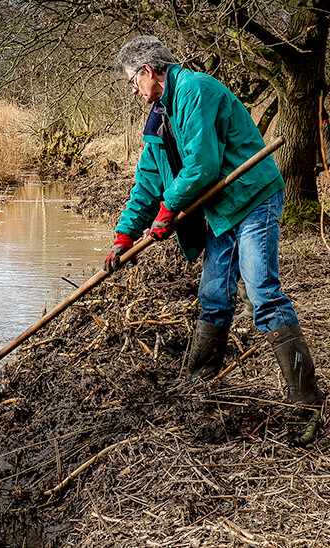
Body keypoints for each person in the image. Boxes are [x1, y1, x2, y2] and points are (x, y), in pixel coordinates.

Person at [106, 35, 323, 405]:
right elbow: (148, 182)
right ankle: (201, 382)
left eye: (131, 81)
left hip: (253, 197)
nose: (132, 90)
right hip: (222, 211)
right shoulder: (160, 116)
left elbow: (203, 165)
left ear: (147, 71)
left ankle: (306, 398)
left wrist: (169, 209)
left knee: (262, 292)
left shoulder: (195, 91)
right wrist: (125, 234)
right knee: (213, 296)